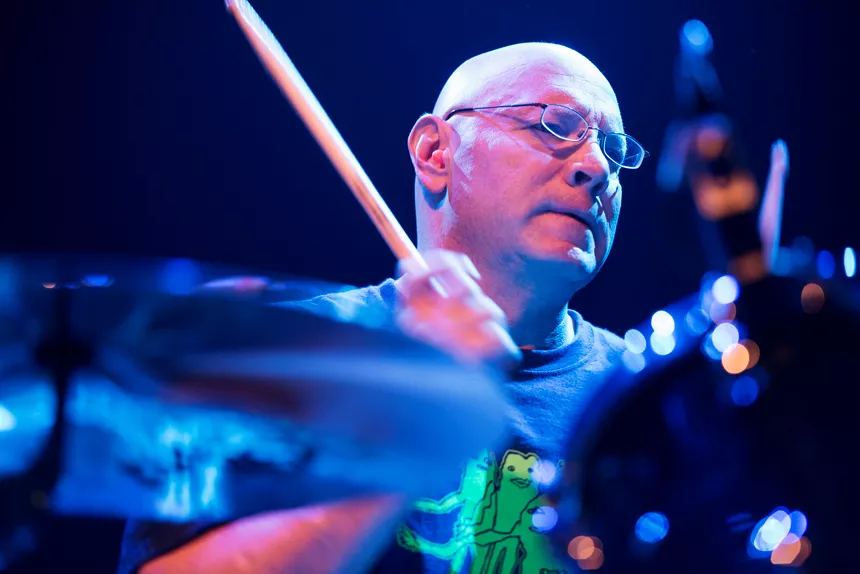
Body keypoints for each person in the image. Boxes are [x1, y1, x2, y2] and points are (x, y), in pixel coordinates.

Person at [116, 40, 648, 574]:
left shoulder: (639, 402)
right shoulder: (285, 349)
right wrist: (411, 426)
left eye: (615, 151)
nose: (597, 167)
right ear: (435, 153)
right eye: (555, 125)